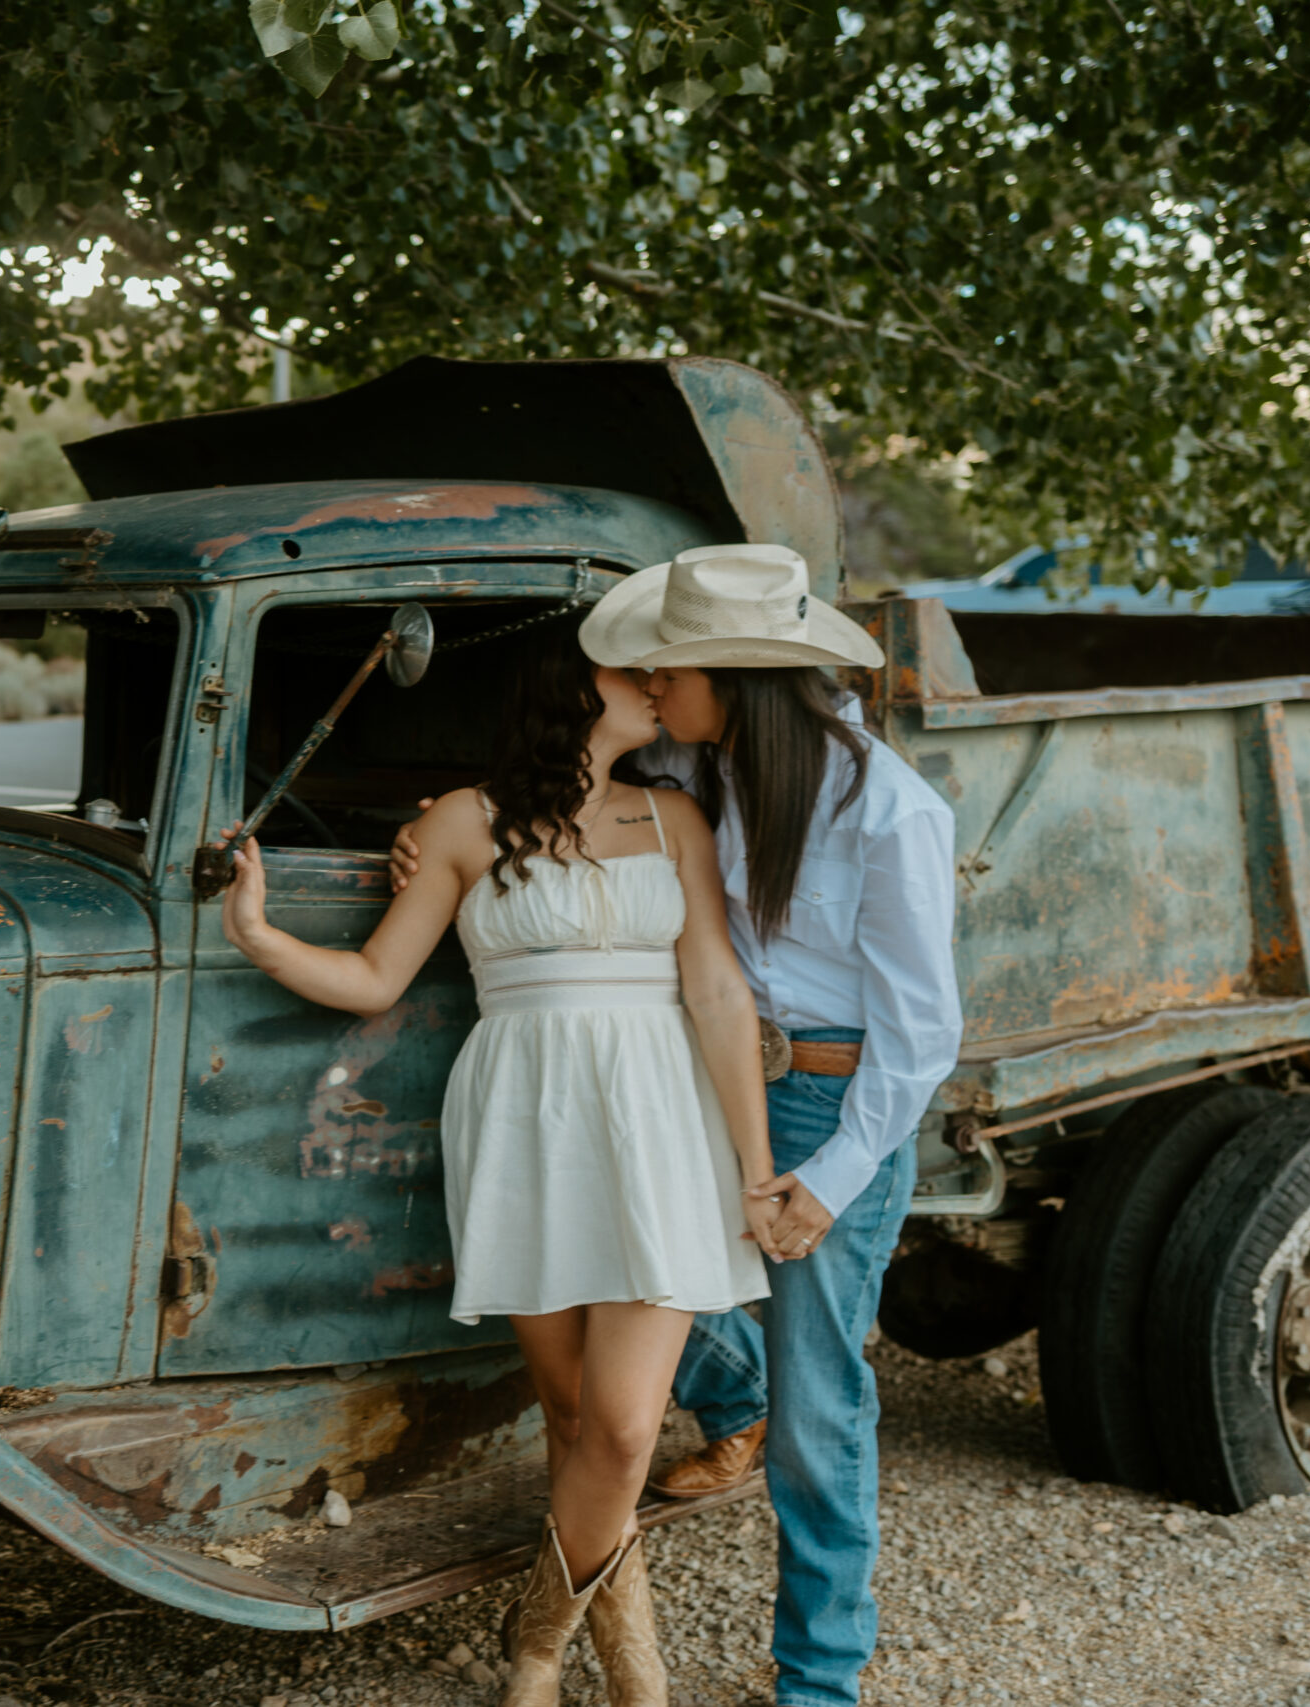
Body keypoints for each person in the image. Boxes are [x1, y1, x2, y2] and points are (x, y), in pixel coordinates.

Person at [390, 544, 963, 1707]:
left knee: (817, 1401)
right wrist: (430, 835)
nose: (649, 687)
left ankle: (819, 1677)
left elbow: (923, 1035)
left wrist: (830, 1175)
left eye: (669, 670)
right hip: (691, 1079)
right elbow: (555, 797)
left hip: (827, 1100)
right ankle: (607, 1581)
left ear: (732, 678)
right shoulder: (697, 770)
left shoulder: (886, 809)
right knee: (637, 1311)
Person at [217, 614, 798, 1707]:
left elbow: (717, 993)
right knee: (571, 1418)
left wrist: (754, 1166)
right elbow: (376, 978)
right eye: (636, 675)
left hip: (659, 1118)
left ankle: (542, 1643)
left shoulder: (674, 816)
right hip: (526, 1120)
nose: (659, 688)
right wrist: (257, 935)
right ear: (569, 691)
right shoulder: (457, 824)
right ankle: (625, 1664)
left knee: (627, 1427)